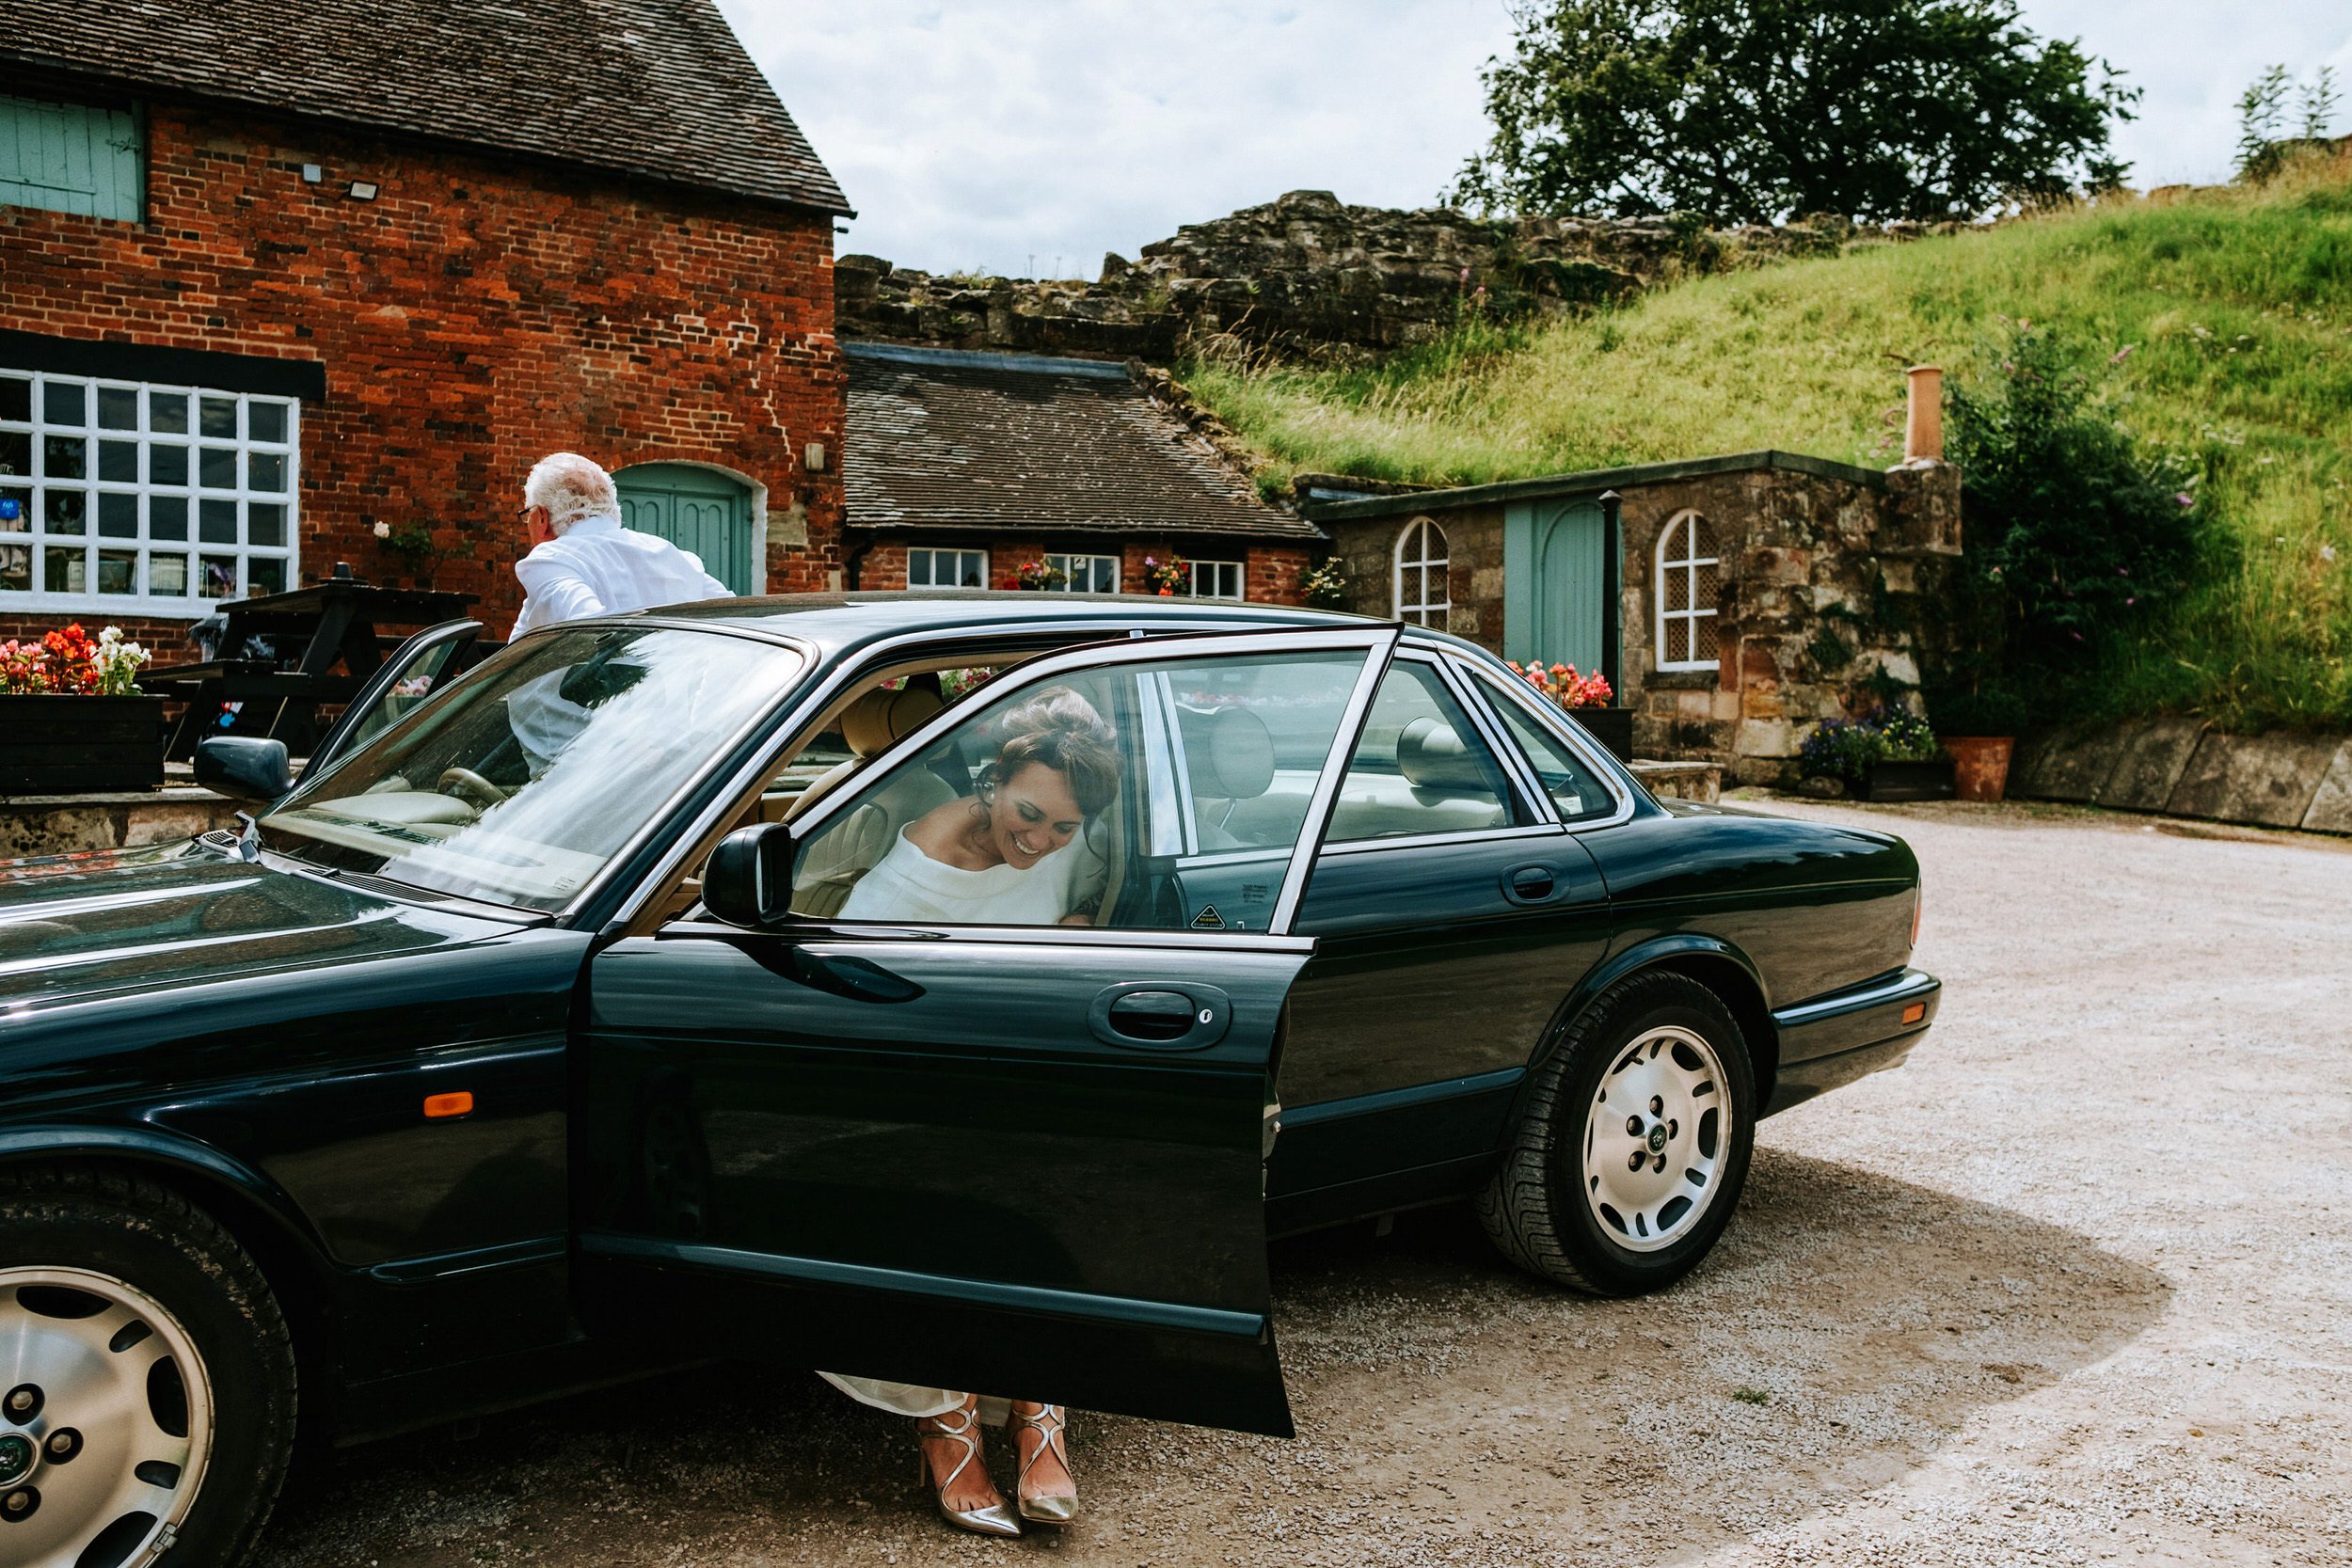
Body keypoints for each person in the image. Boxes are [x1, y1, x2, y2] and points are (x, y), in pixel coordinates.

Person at [826, 688, 1121, 1536]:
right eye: (1028, 814)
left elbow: (1165, 908)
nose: (1040, 840)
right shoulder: (912, 866)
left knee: (1059, 1182)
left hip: (1031, 1064)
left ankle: (1040, 1410)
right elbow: (852, 994)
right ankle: (947, 1424)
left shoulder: (1077, 843)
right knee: (947, 1195)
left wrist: (1078, 929)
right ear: (992, 782)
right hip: (915, 1074)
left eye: (1063, 829)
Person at [508, 452, 731, 637]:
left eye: (527, 515)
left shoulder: (552, 559)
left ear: (542, 517)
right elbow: (740, 615)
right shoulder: (671, 555)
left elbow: (589, 631)